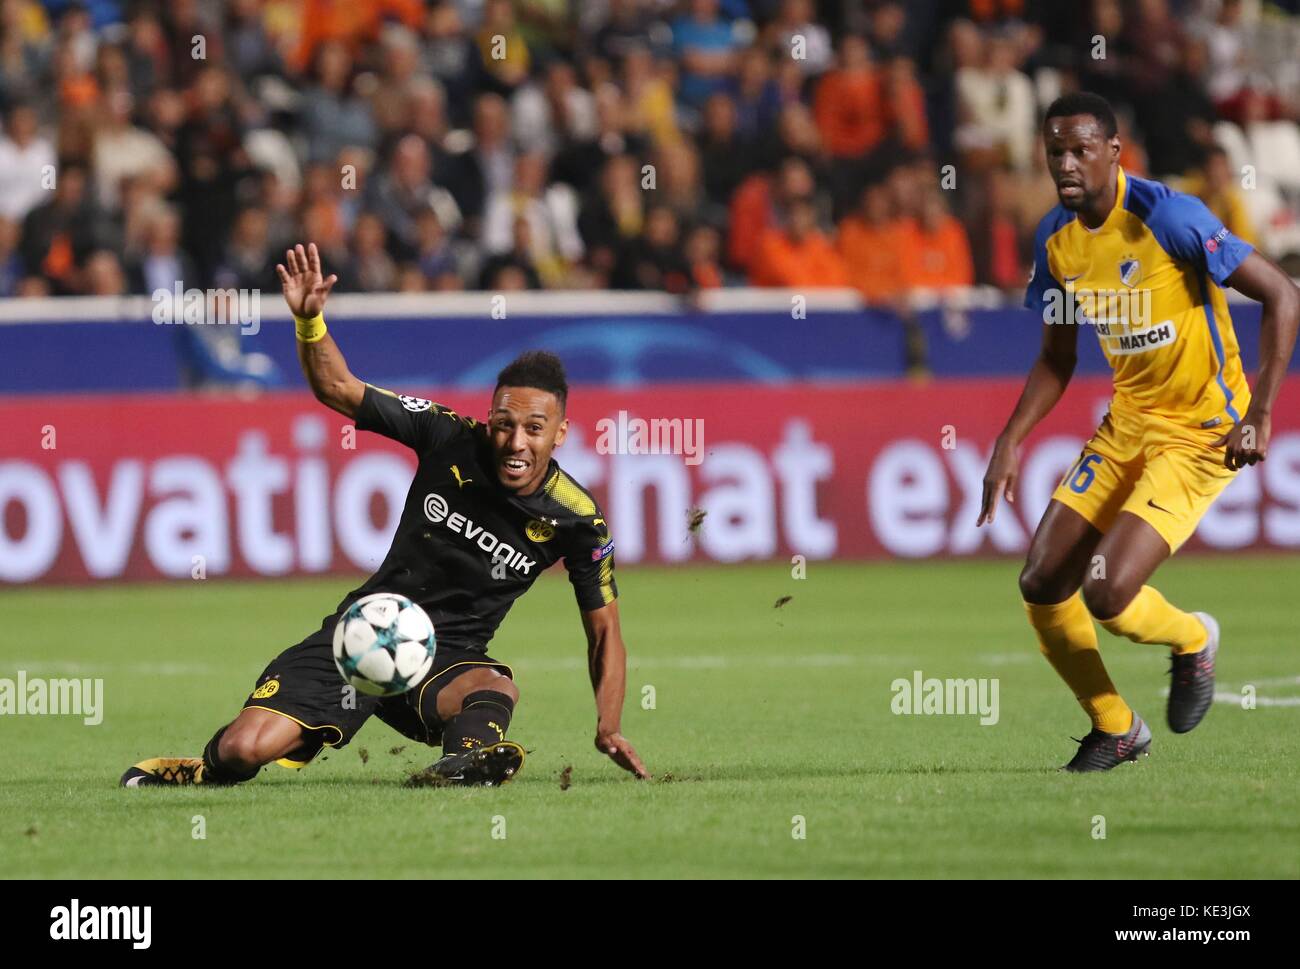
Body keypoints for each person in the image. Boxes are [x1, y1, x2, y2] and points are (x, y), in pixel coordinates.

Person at [122, 242, 649, 787]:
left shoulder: (578, 520)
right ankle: (204, 768)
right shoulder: (447, 435)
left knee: (494, 687)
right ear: (488, 417)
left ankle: (461, 764)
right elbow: (338, 388)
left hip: (444, 661)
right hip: (361, 635)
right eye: (503, 423)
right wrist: (308, 321)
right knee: (242, 750)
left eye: (534, 429)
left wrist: (608, 725)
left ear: (560, 433)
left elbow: (605, 632)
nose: (515, 441)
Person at [978, 93, 1299, 772]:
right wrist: (1010, 441)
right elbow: (1057, 357)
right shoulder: (1056, 239)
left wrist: (1261, 412)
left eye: (1079, 150)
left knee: (1105, 592)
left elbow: (1282, 294)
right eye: (1054, 151)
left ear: (1113, 152)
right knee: (1040, 582)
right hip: (1128, 423)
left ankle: (1192, 638)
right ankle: (1117, 726)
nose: (1064, 163)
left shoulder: (1169, 216)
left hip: (1201, 433)